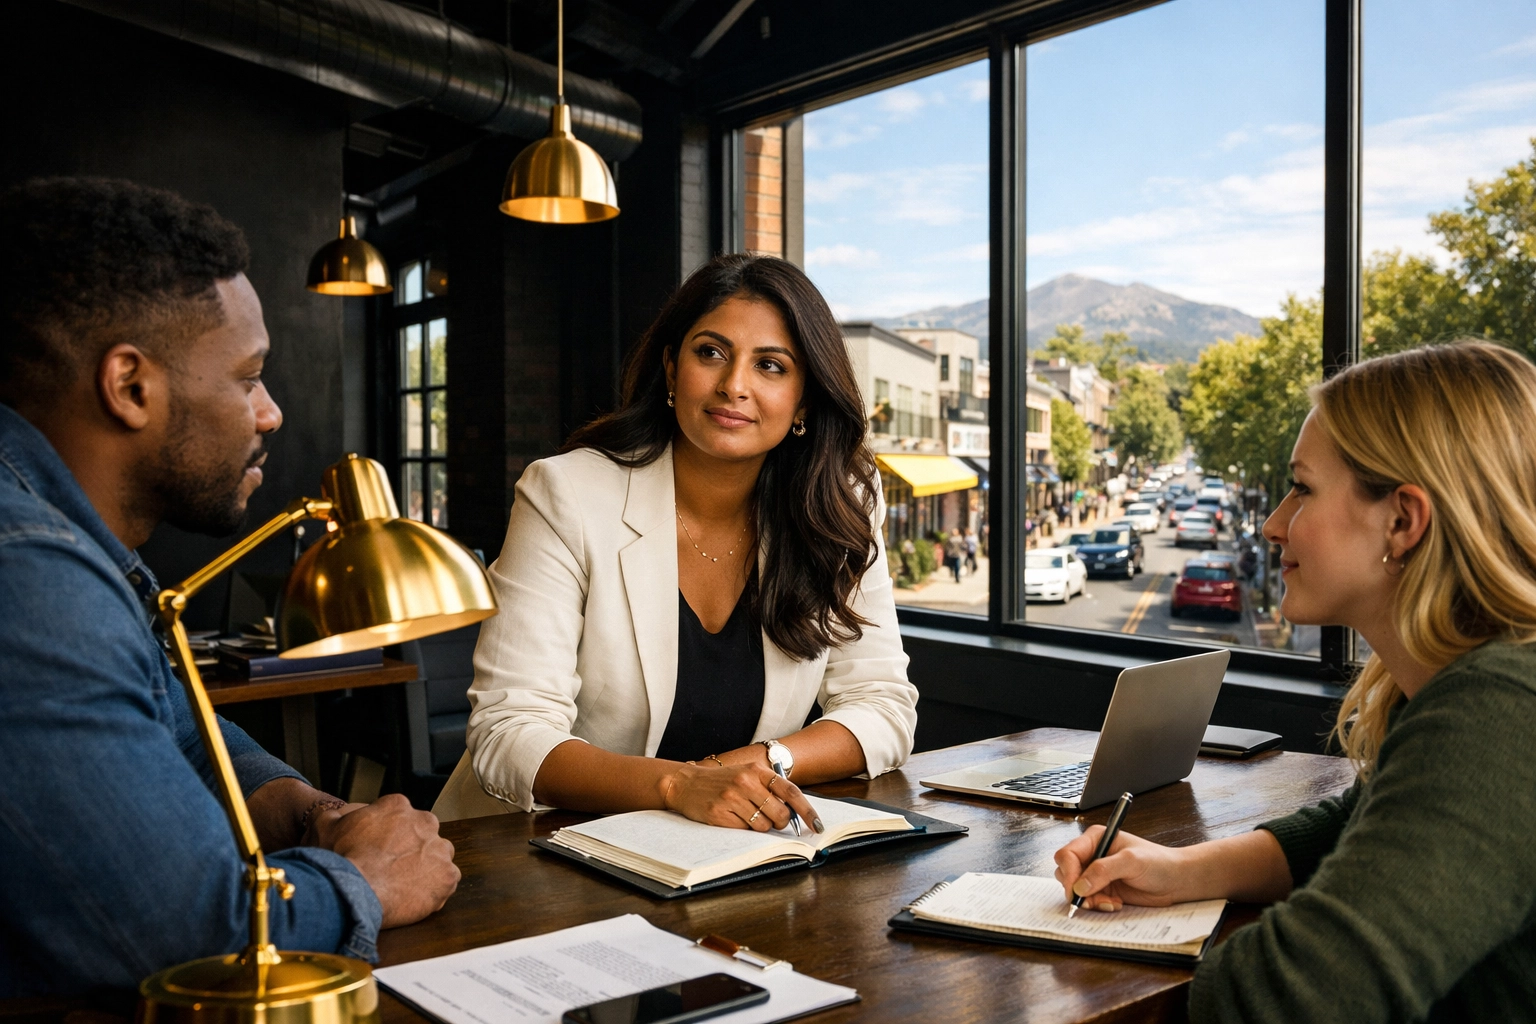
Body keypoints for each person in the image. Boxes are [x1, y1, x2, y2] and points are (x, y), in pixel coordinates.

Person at [0, 178, 460, 1000]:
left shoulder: (75, 545)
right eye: (248, 378)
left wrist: (312, 811)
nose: (271, 413)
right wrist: (364, 878)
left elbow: (184, 732)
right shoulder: (29, 573)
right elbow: (183, 930)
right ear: (130, 386)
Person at [1052, 342, 1536, 1022]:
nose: (1274, 524)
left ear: (1402, 521)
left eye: (1302, 489)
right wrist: (1180, 871)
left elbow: (1295, 996)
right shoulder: (1469, 690)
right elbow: (1357, 823)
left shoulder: (1499, 714)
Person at [433, 254, 917, 830]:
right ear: (670, 369)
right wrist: (678, 786)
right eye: (710, 353)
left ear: (805, 399)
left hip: (724, 851)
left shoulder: (839, 504)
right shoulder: (566, 494)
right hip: (532, 845)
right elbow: (509, 732)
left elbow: (883, 705)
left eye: (770, 365)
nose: (734, 385)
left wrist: (753, 767)